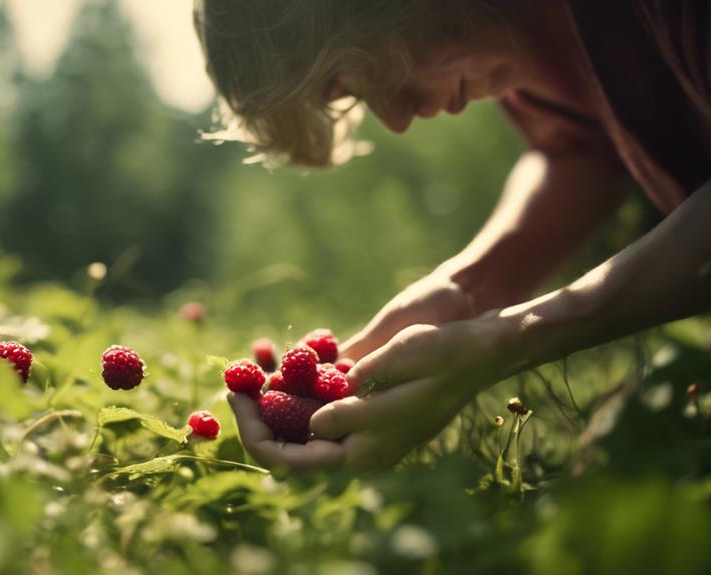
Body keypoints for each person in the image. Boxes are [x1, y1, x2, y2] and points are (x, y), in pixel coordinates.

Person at [192, 0, 711, 471]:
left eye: (358, 73)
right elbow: (579, 148)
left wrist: (515, 337)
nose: (395, 120)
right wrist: (468, 289)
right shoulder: (509, 39)